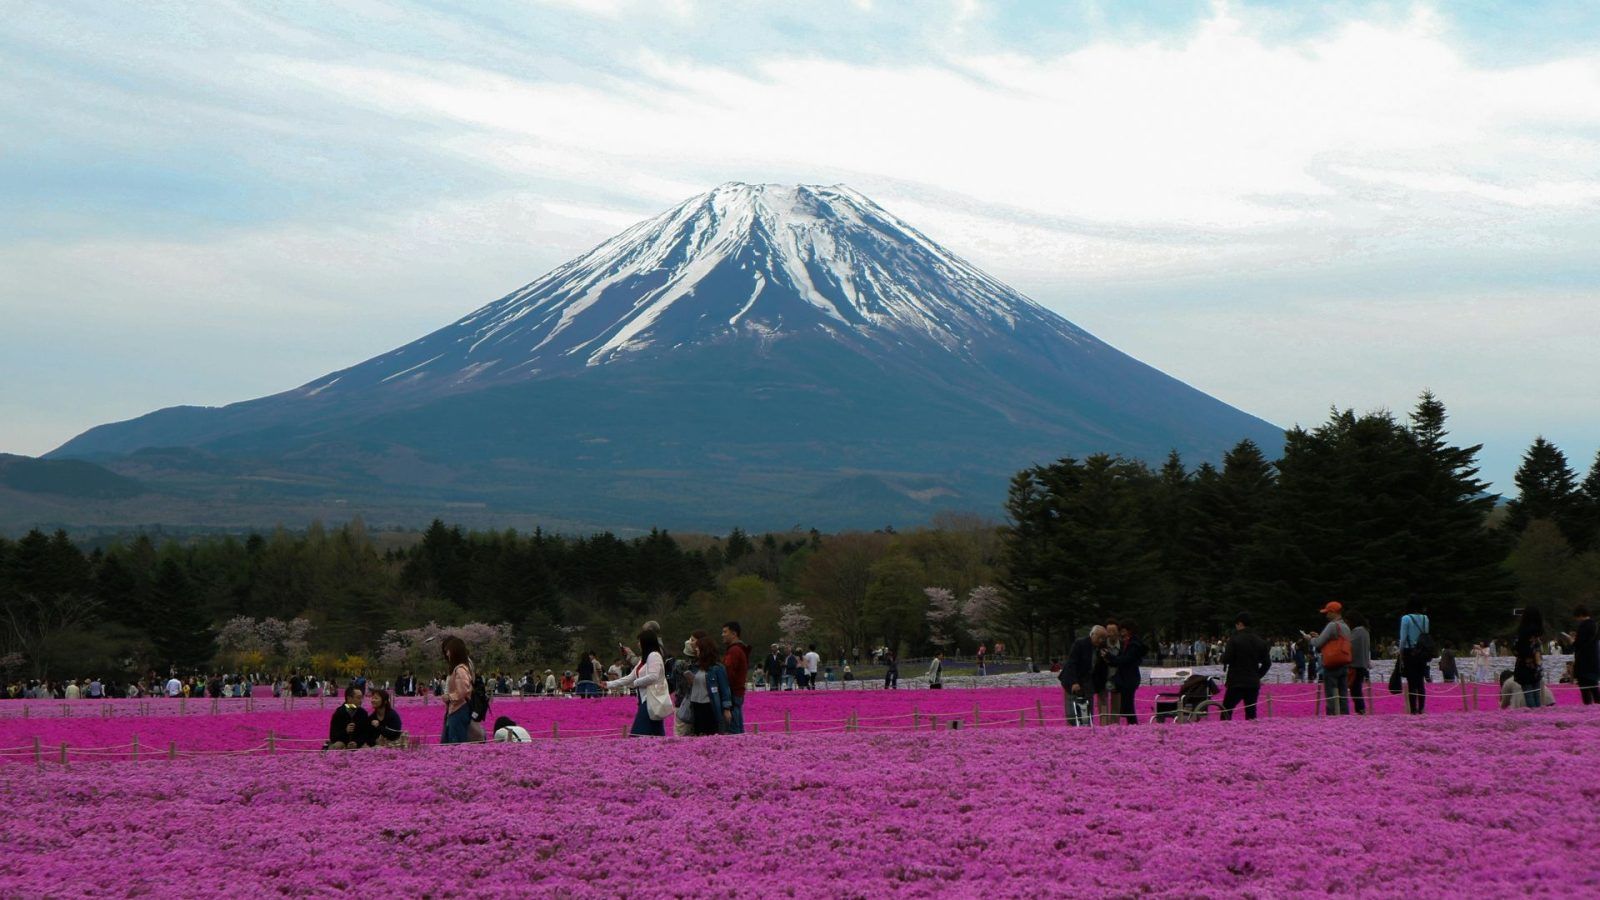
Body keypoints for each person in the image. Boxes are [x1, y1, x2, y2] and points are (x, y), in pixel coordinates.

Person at [602, 627, 669, 737]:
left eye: (639, 641)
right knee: (657, 735)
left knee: (637, 734)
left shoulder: (654, 656)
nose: (638, 644)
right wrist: (609, 684)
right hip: (645, 699)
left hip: (651, 699)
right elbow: (630, 677)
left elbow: (653, 676)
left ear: (646, 642)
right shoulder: (644, 659)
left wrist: (636, 683)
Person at [676, 631, 733, 736]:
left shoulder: (717, 668)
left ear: (705, 650)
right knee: (698, 735)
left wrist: (726, 708)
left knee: (710, 734)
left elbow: (725, 689)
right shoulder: (696, 667)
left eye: (698, 648)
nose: (696, 649)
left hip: (708, 707)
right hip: (696, 706)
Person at [1220, 613, 1271, 721]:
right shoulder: (1261, 642)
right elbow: (1267, 664)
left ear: (1240, 624)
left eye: (1236, 624)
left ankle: (1225, 735)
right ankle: (1250, 736)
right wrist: (1257, 675)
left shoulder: (1234, 639)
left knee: (1226, 711)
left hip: (1236, 681)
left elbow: (1226, 659)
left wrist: (1223, 657)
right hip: (1252, 682)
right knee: (1251, 713)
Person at [1307, 602, 1351, 716]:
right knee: (1343, 694)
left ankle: (1332, 717)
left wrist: (1309, 639)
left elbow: (1318, 643)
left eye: (1327, 613)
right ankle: (1345, 717)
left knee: (1331, 695)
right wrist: (1319, 637)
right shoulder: (1345, 626)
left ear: (1333, 612)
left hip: (1332, 664)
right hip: (1344, 663)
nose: (1326, 615)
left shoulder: (1332, 625)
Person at [1060, 626, 1106, 725]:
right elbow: (1071, 664)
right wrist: (1074, 682)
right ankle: (1073, 732)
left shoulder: (1101, 648)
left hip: (1088, 681)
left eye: (1103, 638)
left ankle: (1087, 730)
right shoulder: (1080, 644)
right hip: (1073, 680)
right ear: (1092, 635)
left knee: (1087, 714)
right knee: (1072, 714)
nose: (1101, 640)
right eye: (1099, 637)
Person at [440, 635, 475, 745]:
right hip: (455, 708)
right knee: (450, 740)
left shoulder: (460, 669)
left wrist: (449, 697)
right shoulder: (457, 668)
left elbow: (463, 690)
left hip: (459, 708)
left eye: (448, 651)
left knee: (456, 741)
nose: (447, 654)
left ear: (455, 652)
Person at [1399, 603, 1433, 714]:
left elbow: (1403, 638)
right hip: (1422, 651)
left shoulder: (1406, 618)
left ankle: (1413, 709)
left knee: (1411, 682)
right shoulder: (1425, 618)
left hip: (1410, 651)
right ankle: (1421, 708)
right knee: (1420, 681)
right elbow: (1426, 634)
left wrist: (1401, 652)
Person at [1561, 606, 1599, 706]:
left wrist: (1571, 640)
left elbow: (1579, 644)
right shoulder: (1594, 624)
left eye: (1577, 618)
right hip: (1593, 661)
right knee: (1593, 685)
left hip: (1584, 661)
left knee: (1585, 687)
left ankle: (1588, 707)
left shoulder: (1584, 626)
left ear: (1581, 615)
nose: (1577, 620)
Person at [1110, 623, 1145, 724]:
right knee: (1127, 704)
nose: (1121, 633)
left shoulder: (1134, 644)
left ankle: (1133, 724)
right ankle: (1132, 725)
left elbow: (1125, 660)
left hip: (1130, 679)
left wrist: (1110, 658)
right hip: (1126, 678)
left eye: (1123, 631)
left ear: (1129, 630)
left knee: (1128, 705)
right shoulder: (1128, 643)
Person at [1514, 606, 1546, 708]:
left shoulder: (1523, 632)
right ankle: (1539, 717)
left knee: (1528, 694)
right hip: (1537, 666)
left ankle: (1534, 717)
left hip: (1525, 666)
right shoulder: (1539, 631)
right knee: (1536, 693)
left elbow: (1517, 649)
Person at [720, 622, 749, 734]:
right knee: (738, 728)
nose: (722, 635)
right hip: (737, 692)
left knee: (733, 730)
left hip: (732, 692)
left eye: (725, 632)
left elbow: (728, 673)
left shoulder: (734, 651)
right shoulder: (738, 649)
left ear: (734, 634)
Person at [327, 685, 369, 750]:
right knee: (336, 746)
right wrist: (345, 731)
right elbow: (333, 736)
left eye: (361, 698)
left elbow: (366, 734)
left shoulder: (363, 713)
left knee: (367, 749)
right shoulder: (339, 713)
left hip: (357, 744)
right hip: (342, 742)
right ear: (349, 698)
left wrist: (357, 743)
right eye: (358, 698)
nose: (361, 700)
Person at [1346, 610, 1371, 715]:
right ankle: (1360, 710)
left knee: (1355, 689)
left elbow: (1349, 646)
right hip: (1362, 664)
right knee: (1356, 688)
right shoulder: (1365, 630)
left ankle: (1360, 710)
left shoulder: (1357, 631)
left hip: (1356, 664)